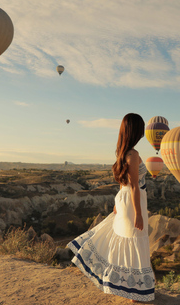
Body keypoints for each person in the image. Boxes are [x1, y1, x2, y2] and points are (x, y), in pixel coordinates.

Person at [67, 113, 155, 303]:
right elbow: (133, 186)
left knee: (124, 238)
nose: (143, 134)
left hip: (124, 200)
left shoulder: (123, 152)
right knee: (136, 239)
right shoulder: (134, 154)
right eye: (141, 129)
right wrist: (139, 213)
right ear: (136, 131)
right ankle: (135, 292)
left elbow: (124, 184)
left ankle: (125, 286)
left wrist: (117, 204)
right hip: (133, 202)